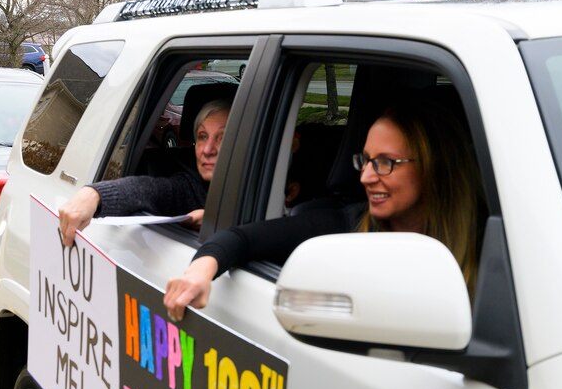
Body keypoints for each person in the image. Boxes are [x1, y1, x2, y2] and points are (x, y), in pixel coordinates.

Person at [164, 99, 484, 321]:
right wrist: (199, 273)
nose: (366, 177)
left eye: (385, 163)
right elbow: (243, 239)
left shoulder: (492, 246)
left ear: (434, 168)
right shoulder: (348, 223)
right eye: (366, 160)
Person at [58, 98, 232, 246]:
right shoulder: (189, 186)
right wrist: (94, 194)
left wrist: (220, 220)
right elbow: (150, 190)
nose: (207, 149)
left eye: (223, 137)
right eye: (202, 136)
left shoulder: (259, 192)